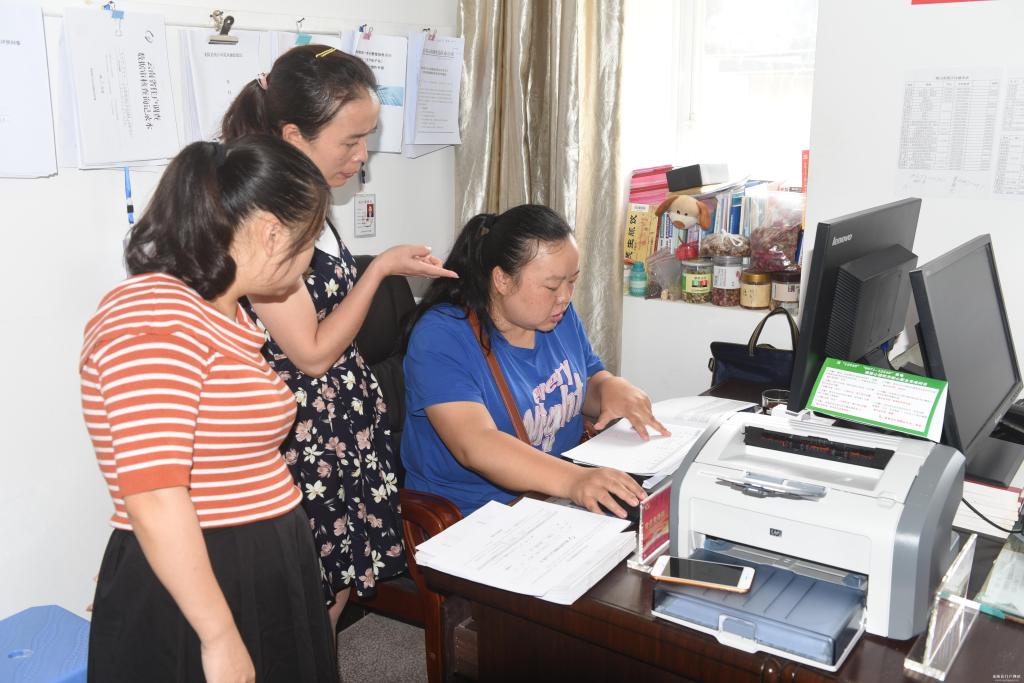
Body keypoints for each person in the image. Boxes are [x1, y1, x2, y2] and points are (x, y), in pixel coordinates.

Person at [80, 136, 337, 682]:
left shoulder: (225, 313)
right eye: (310, 238)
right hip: (209, 574)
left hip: (254, 558)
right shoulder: (154, 313)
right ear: (272, 232)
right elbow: (154, 494)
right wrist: (219, 636)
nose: (312, 258)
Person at [220, 44, 456, 630]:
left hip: (342, 429)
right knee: (308, 600)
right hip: (302, 438)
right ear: (293, 136)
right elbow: (311, 352)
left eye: (367, 138)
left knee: (337, 585)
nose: (361, 156)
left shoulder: (308, 200)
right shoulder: (266, 217)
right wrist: (380, 270)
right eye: (349, 141)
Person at [401, 204, 670, 517]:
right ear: (502, 280)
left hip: (557, 501)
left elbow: (586, 382)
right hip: (480, 516)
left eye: (572, 281)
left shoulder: (555, 316)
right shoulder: (442, 336)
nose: (565, 297)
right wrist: (574, 480)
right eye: (552, 286)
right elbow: (475, 444)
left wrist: (610, 387)